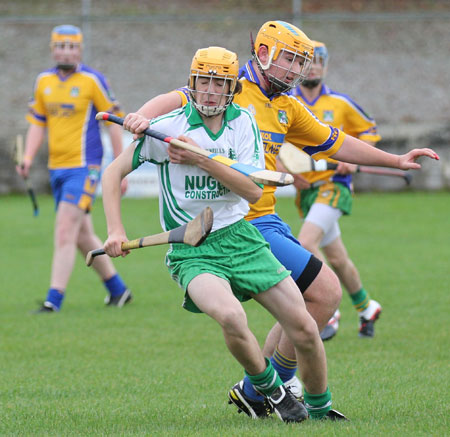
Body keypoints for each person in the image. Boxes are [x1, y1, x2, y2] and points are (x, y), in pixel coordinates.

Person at [122, 21, 439, 419]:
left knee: (318, 298)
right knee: (324, 293)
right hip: (239, 225)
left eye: (300, 63)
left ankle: (260, 391)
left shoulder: (286, 106)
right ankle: (271, 388)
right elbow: (173, 98)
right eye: (289, 59)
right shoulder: (228, 85)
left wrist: (395, 159)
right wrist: (138, 118)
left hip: (267, 219)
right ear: (265, 53)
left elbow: (336, 141)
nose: (295, 71)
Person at [101, 46, 346, 422]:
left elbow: (251, 191)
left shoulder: (244, 123)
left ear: (232, 88)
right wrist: (115, 228)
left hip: (242, 239)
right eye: (204, 81)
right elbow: (112, 173)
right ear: (192, 82)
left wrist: (202, 159)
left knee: (306, 329)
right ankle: (273, 392)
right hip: (192, 249)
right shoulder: (167, 129)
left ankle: (320, 409)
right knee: (231, 317)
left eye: (220, 83)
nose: (211, 90)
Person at [16, 25, 132, 312]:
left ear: (79, 50)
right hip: (57, 169)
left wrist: (120, 167)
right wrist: (28, 158)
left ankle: (53, 300)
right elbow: (37, 123)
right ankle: (118, 291)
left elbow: (115, 122)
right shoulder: (43, 81)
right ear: (52, 49)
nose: (65, 51)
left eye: (71, 46)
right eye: (60, 46)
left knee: (65, 229)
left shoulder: (93, 80)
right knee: (82, 235)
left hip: (85, 168)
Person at [287, 40, 382, 341]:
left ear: (325, 67)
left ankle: (329, 306)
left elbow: (369, 131)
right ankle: (366, 307)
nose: (313, 66)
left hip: (334, 187)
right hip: (307, 191)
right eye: (308, 61)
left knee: (304, 243)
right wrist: (290, 175)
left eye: (319, 62)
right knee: (338, 259)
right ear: (299, 68)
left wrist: (352, 162)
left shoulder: (340, 103)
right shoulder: (287, 102)